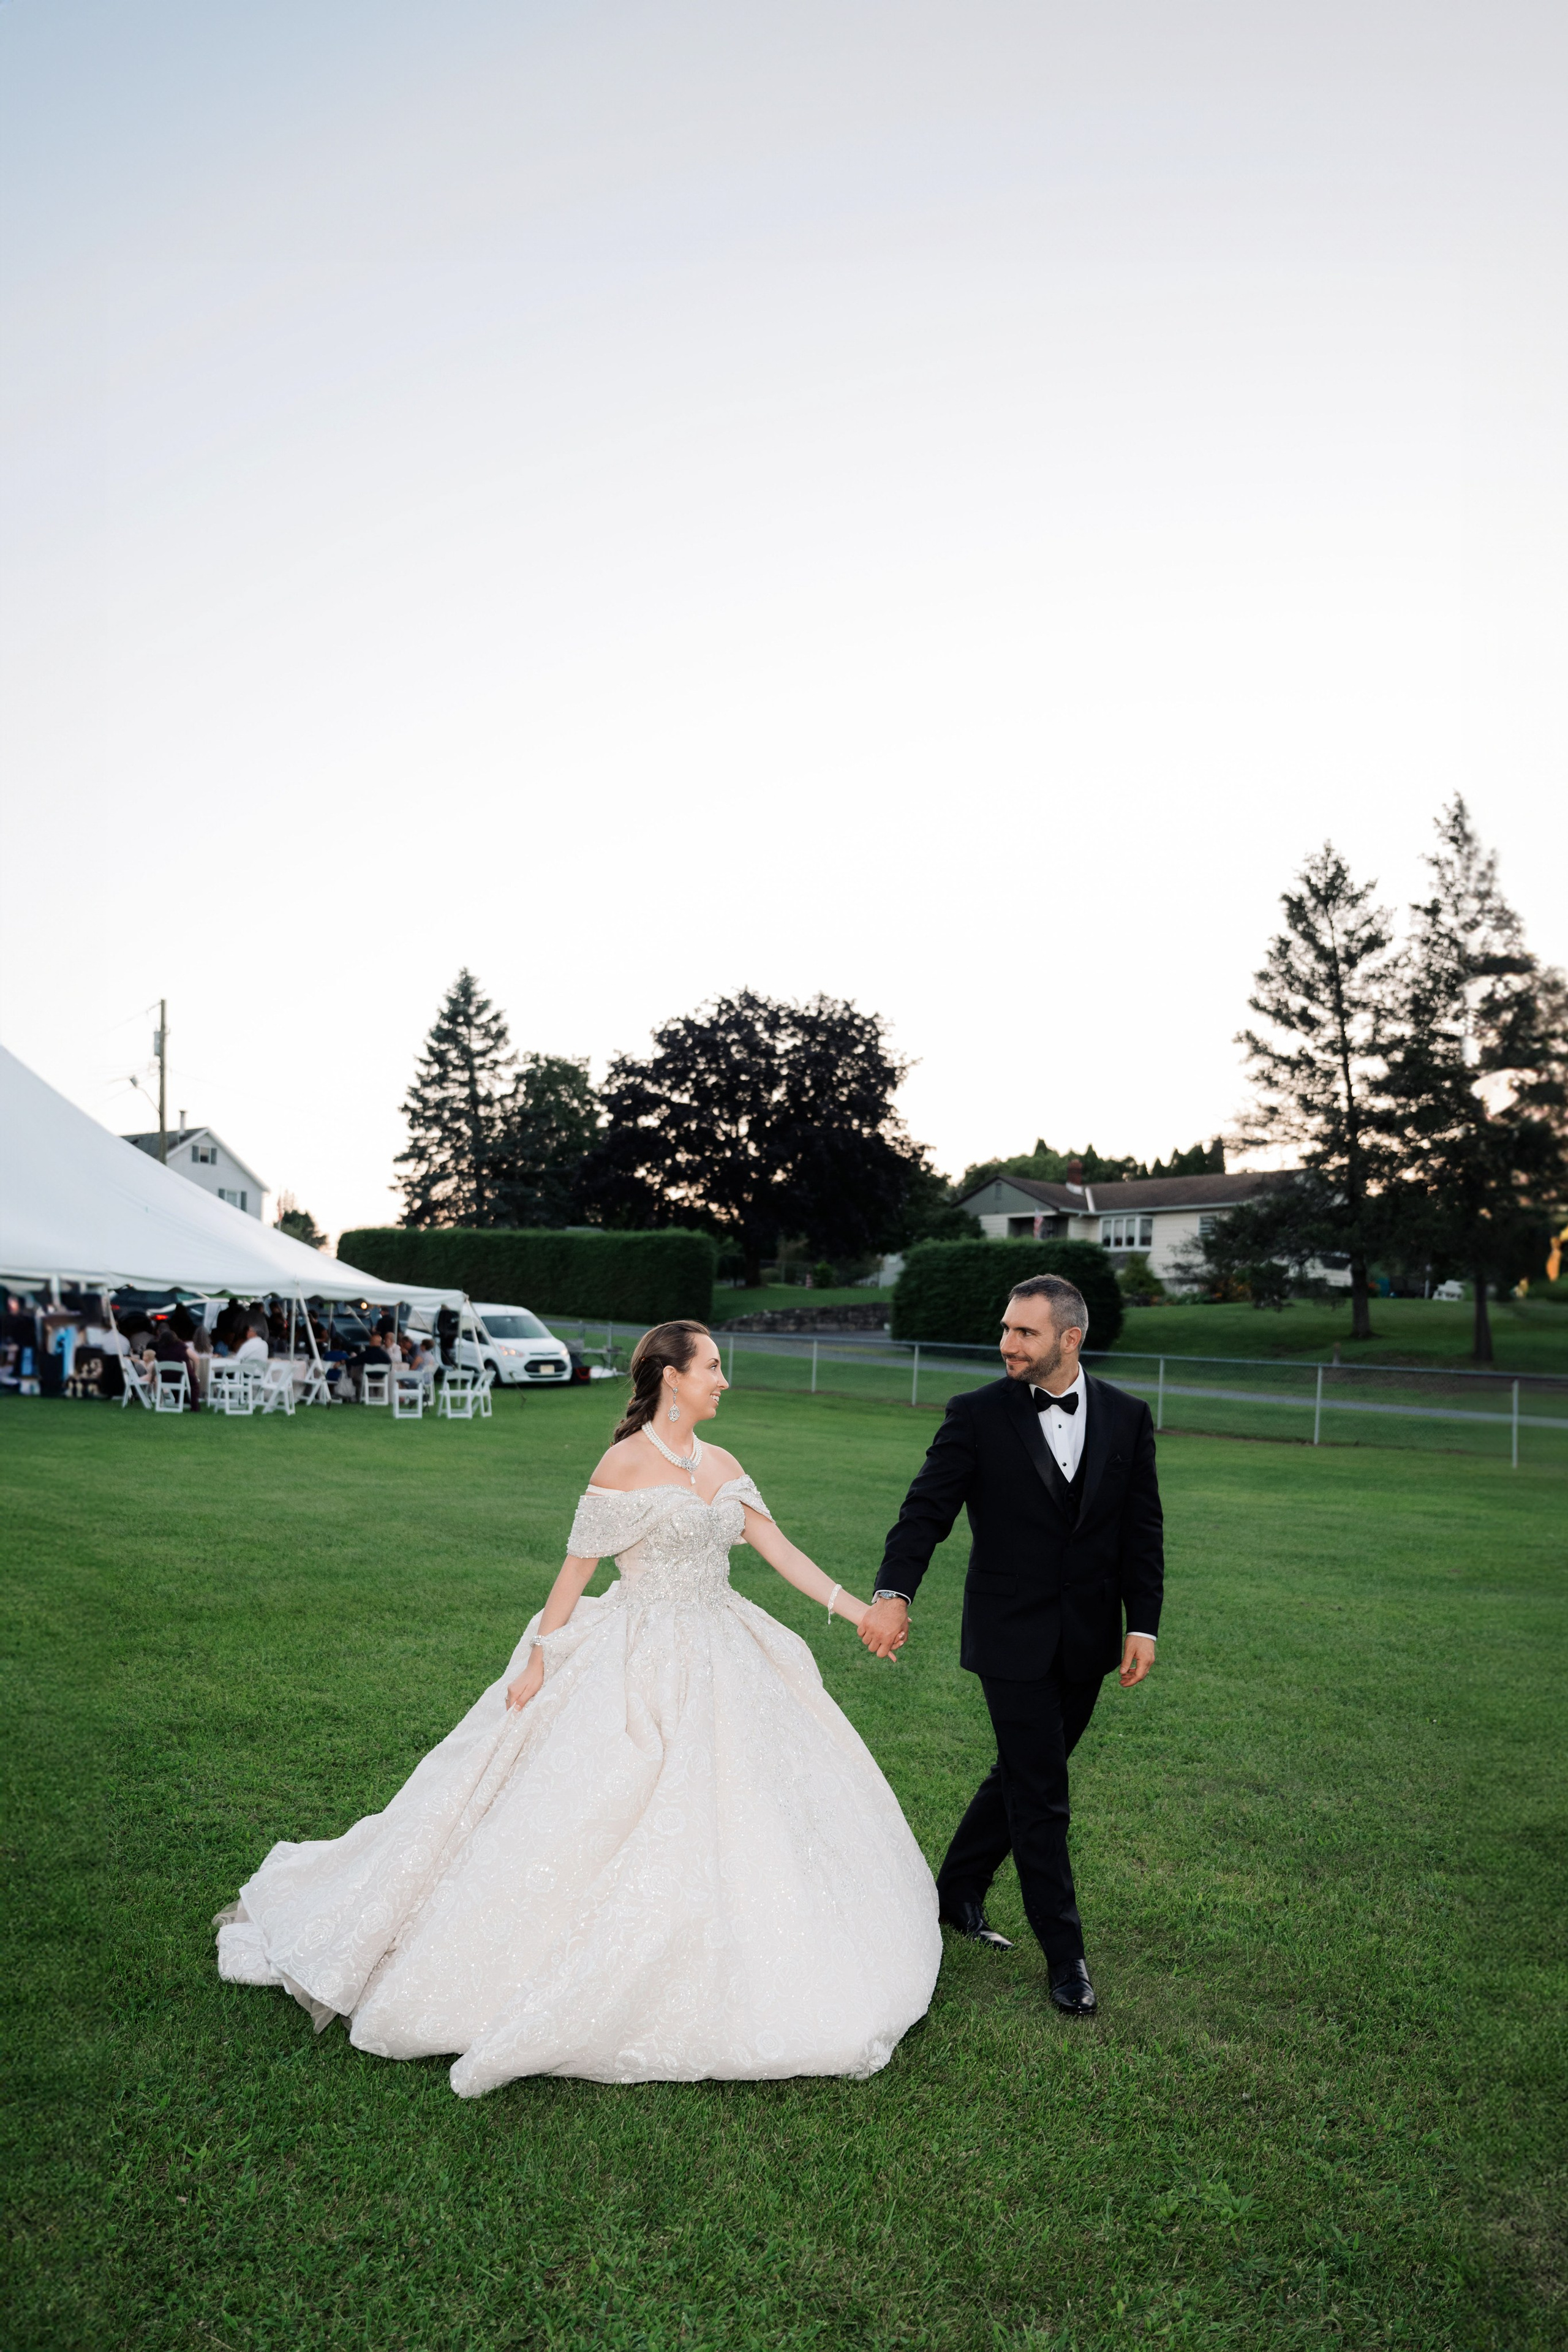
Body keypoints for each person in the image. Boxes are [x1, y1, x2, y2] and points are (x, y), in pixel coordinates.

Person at [216, 1320, 940, 2094]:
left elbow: (780, 1550)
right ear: (672, 1378)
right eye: (712, 1368)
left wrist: (857, 1609)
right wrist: (537, 1662)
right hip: (637, 1653)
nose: (723, 1380)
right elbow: (575, 1574)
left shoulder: (723, 1463)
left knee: (750, 1800)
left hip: (725, 1646)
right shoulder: (622, 1465)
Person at [860, 1274, 1164, 2019]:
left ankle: (956, 1888)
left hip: (1089, 1637)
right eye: (1004, 1329)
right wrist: (895, 1592)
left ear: (1070, 1338)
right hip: (1007, 1635)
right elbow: (924, 1512)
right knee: (1041, 1796)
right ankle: (1066, 1959)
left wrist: (1142, 1622)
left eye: (1023, 1333)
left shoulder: (1127, 1416)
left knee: (1026, 1772)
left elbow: (1141, 1529)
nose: (1006, 1345)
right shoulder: (976, 1415)